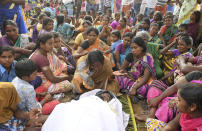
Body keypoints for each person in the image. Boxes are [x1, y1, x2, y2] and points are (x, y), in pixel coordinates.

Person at [42, 89, 129, 131]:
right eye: (104, 95)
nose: (106, 96)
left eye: (108, 96)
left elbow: (111, 120)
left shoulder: (106, 108)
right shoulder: (86, 100)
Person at [115, 37, 155, 103]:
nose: (133, 50)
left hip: (144, 81)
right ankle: (134, 93)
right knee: (117, 77)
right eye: (131, 48)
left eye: (135, 48)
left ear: (142, 48)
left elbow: (145, 78)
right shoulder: (130, 55)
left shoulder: (147, 58)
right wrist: (126, 73)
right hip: (132, 78)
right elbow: (122, 68)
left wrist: (134, 88)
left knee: (144, 89)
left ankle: (131, 91)